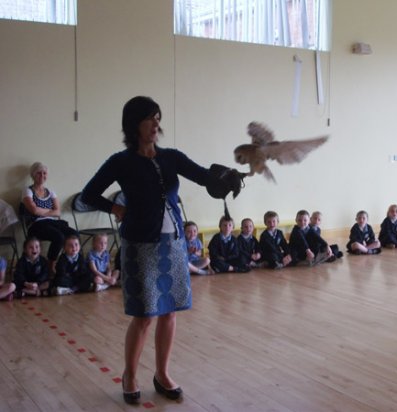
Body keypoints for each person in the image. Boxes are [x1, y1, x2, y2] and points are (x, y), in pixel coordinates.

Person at [81, 96, 242, 404]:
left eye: (158, 117)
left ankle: (162, 374)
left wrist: (232, 177)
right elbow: (89, 193)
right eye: (149, 118)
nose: (156, 124)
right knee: (144, 316)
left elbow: (204, 177)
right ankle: (129, 374)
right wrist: (115, 208)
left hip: (173, 243)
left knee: (170, 312)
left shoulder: (171, 157)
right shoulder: (121, 161)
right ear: (133, 124)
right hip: (140, 244)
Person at [21, 162, 78, 274]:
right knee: (59, 237)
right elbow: (34, 211)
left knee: (74, 234)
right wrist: (50, 211)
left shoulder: (51, 192)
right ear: (33, 175)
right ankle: (51, 265)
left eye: (44, 173)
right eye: (38, 173)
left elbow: (58, 212)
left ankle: (67, 261)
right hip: (36, 224)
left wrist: (42, 212)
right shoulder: (27, 191)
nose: (42, 175)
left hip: (52, 223)